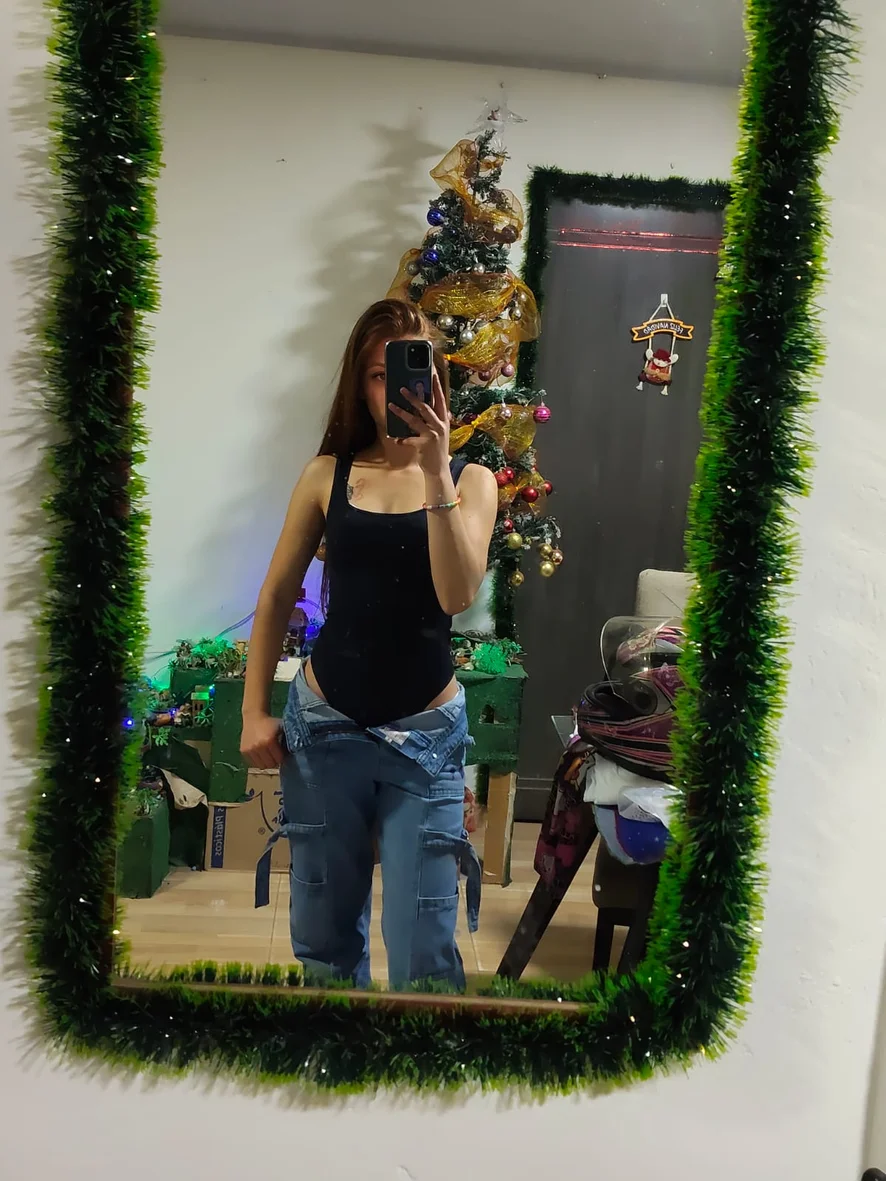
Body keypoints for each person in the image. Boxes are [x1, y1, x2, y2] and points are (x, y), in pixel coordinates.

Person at [240, 299, 498, 992]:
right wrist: (253, 711)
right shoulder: (326, 474)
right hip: (326, 730)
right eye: (380, 375)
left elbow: (456, 593)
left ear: (437, 378)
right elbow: (275, 596)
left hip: (427, 740)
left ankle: (413, 1063)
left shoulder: (471, 481)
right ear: (360, 385)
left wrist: (436, 469)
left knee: (424, 954)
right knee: (324, 944)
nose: (395, 390)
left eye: (409, 371)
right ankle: (335, 1053)